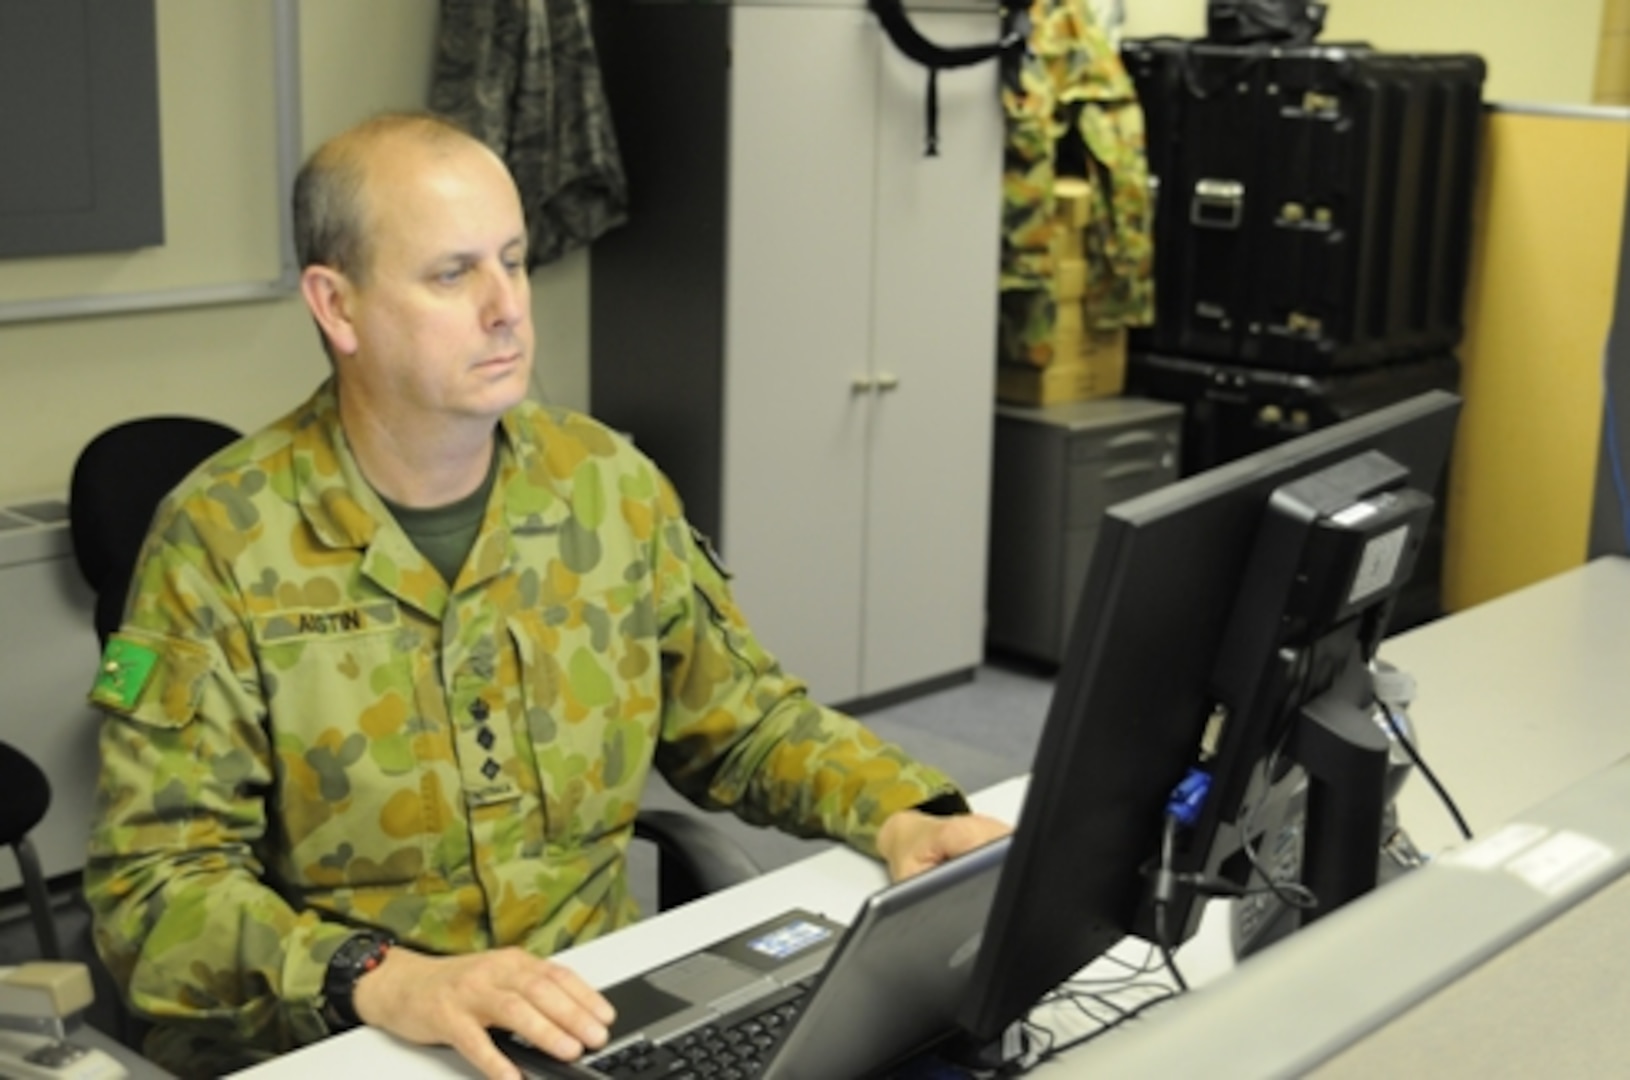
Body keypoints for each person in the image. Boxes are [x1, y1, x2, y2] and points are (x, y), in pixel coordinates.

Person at [84, 112, 1009, 1080]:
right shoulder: (220, 537)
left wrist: (906, 812)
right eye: (452, 274)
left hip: (592, 1019)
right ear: (337, 306)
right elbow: (152, 890)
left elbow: (744, 724)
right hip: (346, 1044)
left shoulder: (606, 483)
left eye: (515, 262)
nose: (506, 308)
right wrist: (382, 977)